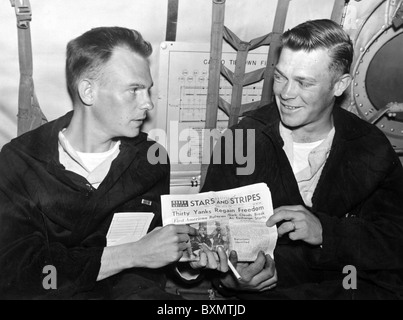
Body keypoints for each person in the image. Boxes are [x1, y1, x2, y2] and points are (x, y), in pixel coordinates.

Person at [0, 26, 225, 300]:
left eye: (148, 90)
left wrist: (187, 265)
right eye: (134, 90)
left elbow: (154, 259)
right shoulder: (19, 163)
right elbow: (20, 276)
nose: (148, 104)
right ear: (88, 92)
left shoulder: (151, 160)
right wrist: (133, 254)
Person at [202, 19, 403, 299]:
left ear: (340, 85)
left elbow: (394, 241)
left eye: (304, 82)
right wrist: (230, 281)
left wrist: (326, 232)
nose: (285, 93)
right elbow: (207, 237)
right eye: (281, 76)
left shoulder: (371, 147)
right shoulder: (241, 140)